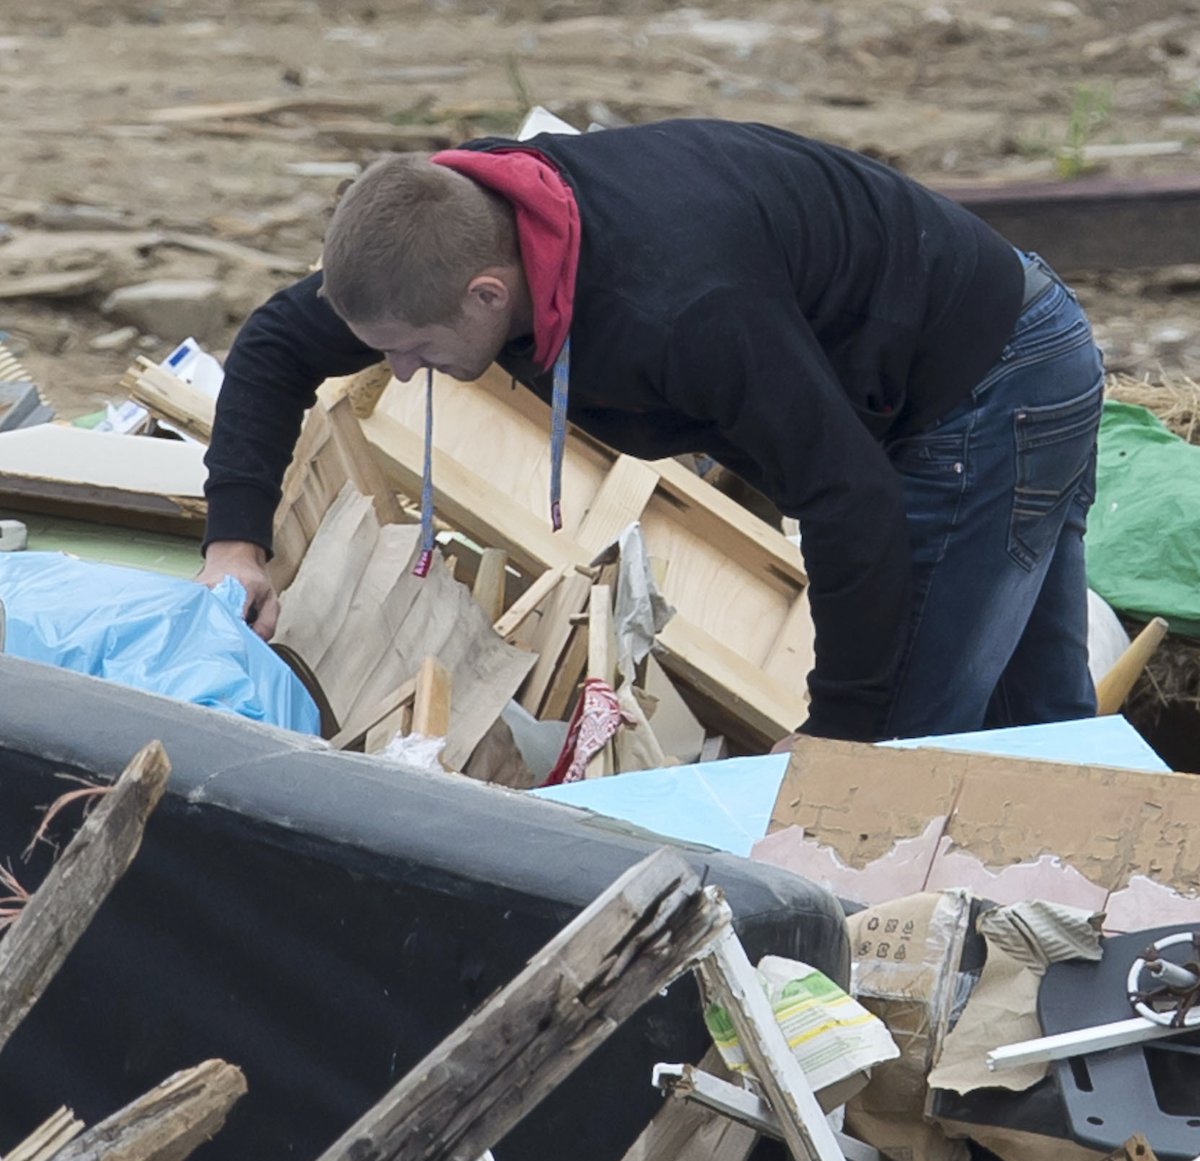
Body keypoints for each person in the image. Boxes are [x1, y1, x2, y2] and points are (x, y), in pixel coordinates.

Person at [200, 119, 1104, 742]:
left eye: (414, 351)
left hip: (991, 388)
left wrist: (839, 732)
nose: (398, 372)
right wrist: (236, 540)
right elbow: (279, 340)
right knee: (1038, 730)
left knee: (903, 752)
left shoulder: (677, 309)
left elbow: (849, 502)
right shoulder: (450, 237)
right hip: (955, 345)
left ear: (487, 294)